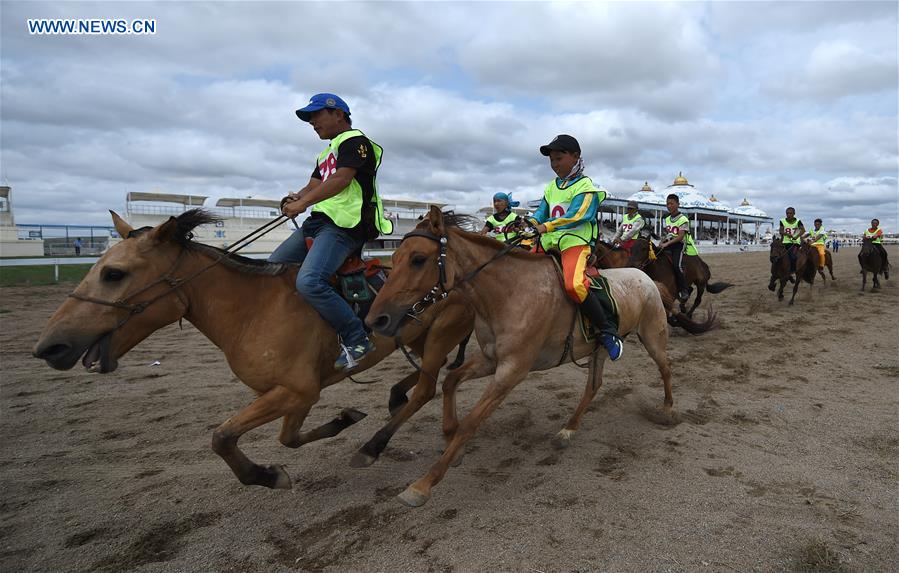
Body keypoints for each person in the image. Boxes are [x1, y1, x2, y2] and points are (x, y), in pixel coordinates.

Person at [269, 93, 393, 370]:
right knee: (271, 268)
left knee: (310, 281)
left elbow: (341, 179)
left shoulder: (355, 141)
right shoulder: (327, 151)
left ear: (338, 114)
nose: (312, 122)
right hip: (320, 221)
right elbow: (313, 184)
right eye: (309, 118)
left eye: (316, 115)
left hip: (345, 225)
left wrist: (302, 203)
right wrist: (295, 199)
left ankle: (356, 338)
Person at [527, 134, 623, 361]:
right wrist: (529, 223)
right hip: (549, 242)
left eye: (559, 158)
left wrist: (545, 226)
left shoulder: (586, 186)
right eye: (551, 160)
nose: (554, 164)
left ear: (576, 156)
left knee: (573, 285)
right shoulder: (552, 187)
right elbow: (542, 211)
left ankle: (608, 330)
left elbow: (579, 215)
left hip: (575, 243)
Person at [657, 194, 698, 302]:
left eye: (671, 203)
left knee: (677, 265)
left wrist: (667, 244)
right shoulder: (667, 218)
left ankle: (684, 289)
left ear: (678, 204)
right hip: (669, 242)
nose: (669, 206)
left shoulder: (683, 219)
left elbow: (680, 236)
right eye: (667, 204)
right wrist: (662, 242)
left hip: (679, 245)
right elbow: (668, 233)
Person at [775, 206, 805, 286]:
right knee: (776, 256)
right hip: (785, 242)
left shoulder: (798, 221)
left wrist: (797, 236)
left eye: (790, 213)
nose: (788, 215)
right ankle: (776, 272)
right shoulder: (782, 221)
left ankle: (791, 272)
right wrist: (787, 234)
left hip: (795, 243)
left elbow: (803, 230)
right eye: (787, 213)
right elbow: (781, 231)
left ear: (794, 214)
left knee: (793, 257)